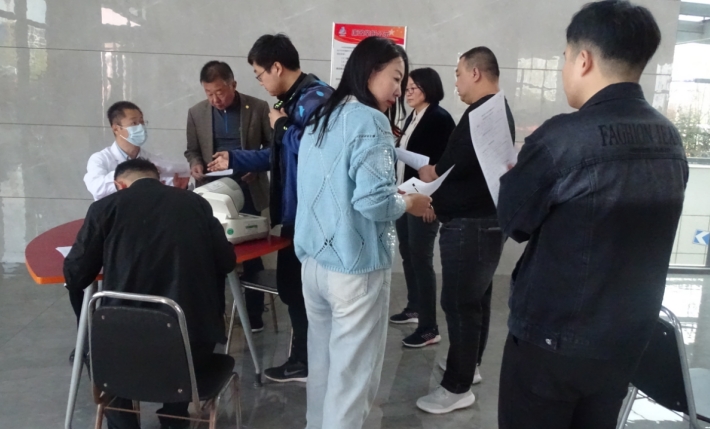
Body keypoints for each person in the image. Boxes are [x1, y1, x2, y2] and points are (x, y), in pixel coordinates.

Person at [496, 2, 688, 428]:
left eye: (565, 58)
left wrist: (522, 171)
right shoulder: (670, 140)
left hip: (552, 342)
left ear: (583, 59)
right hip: (626, 341)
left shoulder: (562, 138)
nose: (565, 68)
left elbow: (514, 222)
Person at [295, 36, 432, 429]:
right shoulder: (370, 121)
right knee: (352, 380)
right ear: (370, 70)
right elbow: (374, 203)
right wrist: (410, 202)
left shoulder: (322, 116)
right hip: (354, 268)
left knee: (322, 368)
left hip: (315, 264)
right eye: (396, 77)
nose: (399, 90)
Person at [64, 159, 236, 429]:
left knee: (95, 348)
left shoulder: (104, 208)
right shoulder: (196, 203)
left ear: (120, 185)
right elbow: (226, 261)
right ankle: (174, 418)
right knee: (185, 337)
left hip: (123, 346)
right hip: (190, 344)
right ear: (158, 179)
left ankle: (123, 423)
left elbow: (75, 275)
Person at [207, 34, 333, 383]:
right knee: (294, 288)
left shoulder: (315, 98)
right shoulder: (294, 99)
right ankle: (305, 359)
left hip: (312, 214)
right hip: (297, 213)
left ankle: (307, 362)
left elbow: (317, 150)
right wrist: (234, 158)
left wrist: (281, 125)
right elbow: (279, 153)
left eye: (260, 74)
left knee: (301, 291)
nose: (260, 82)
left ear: (277, 67)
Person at [416, 47, 515, 414]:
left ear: (475, 72)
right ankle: (468, 367)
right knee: (476, 300)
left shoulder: (484, 113)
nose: (455, 82)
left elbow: (452, 169)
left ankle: (457, 387)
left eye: (458, 74)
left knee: (460, 304)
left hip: (471, 225)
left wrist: (430, 174)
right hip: (482, 222)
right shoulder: (492, 110)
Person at [185, 61, 271, 332]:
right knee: (212, 255)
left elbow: (274, 149)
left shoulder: (258, 108)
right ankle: (215, 318)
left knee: (251, 254)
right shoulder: (196, 112)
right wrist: (195, 164)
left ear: (233, 84)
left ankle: (254, 315)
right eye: (209, 93)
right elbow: (192, 150)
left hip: (248, 188)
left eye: (220, 92)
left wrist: (255, 167)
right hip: (212, 192)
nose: (215, 99)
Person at [389, 67, 455, 349]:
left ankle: (429, 328)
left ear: (429, 88)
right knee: (408, 254)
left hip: (424, 201)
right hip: (406, 196)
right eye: (407, 88)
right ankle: (414, 307)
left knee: (421, 259)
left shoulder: (439, 118)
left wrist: (433, 203)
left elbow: (445, 165)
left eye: (413, 88)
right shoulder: (413, 116)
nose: (408, 92)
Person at [84, 101, 190, 201]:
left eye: (142, 122)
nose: (140, 127)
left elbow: (164, 194)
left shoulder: (153, 161)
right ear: (116, 129)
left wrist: (177, 190)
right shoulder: (100, 159)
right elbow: (97, 188)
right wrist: (135, 174)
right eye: (134, 123)